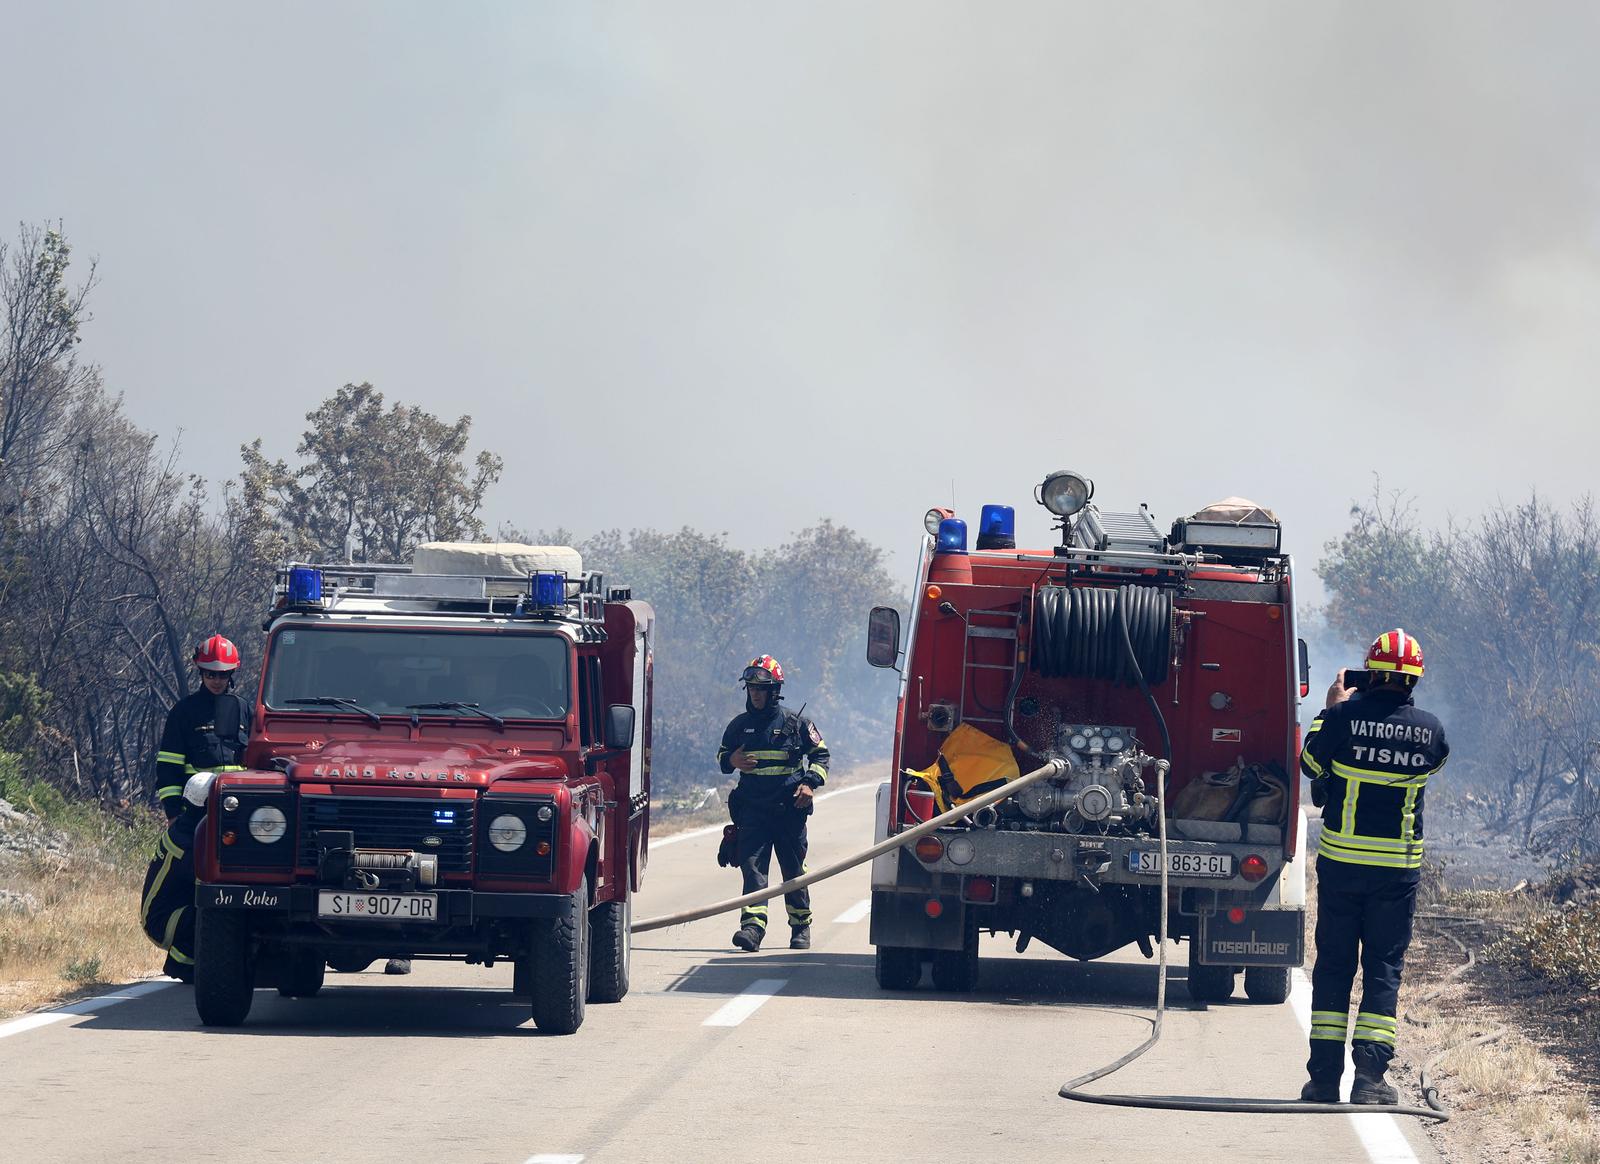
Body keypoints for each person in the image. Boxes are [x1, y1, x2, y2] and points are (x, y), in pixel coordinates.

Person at [1298, 629, 1449, 1105]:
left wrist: (1333, 705)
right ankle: (1369, 1080)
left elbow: (1307, 762)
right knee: (1383, 967)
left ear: (1372, 673)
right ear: (1412, 680)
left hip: (1342, 866)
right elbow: (1431, 767)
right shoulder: (1431, 732)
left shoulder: (1341, 718)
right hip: (1396, 873)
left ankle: (1324, 1080)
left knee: (1335, 966)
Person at [144, 635, 252, 981]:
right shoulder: (185, 713)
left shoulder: (244, 710)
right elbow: (168, 766)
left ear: (233, 672)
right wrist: (174, 813)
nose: (216, 680)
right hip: (196, 815)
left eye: (222, 674)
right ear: (200, 672)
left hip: (240, 816)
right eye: (210, 674)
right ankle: (184, 960)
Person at [716, 655, 830, 952]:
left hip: (789, 812)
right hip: (752, 812)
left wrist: (809, 783)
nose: (755, 693)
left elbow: (821, 756)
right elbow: (722, 757)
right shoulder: (738, 726)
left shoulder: (797, 724)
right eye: (751, 687)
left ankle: (800, 926)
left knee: (793, 870)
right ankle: (752, 929)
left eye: (761, 688)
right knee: (752, 868)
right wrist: (731, 759)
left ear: (775, 690)